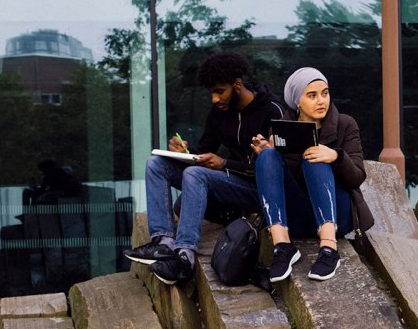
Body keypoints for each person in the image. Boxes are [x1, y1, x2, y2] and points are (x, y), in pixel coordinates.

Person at [126, 52, 288, 285]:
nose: (214, 99)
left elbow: (277, 169)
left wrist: (224, 164)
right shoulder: (219, 113)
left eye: (219, 91)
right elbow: (203, 153)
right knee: (156, 164)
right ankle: (164, 243)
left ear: (237, 84)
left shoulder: (272, 110)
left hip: (259, 190)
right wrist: (183, 154)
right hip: (227, 183)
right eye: (211, 92)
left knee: (195, 174)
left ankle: (185, 257)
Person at [249, 66, 374, 284]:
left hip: (337, 216)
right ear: (298, 101)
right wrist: (265, 153)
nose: (321, 101)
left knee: (315, 157)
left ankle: (329, 250)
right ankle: (282, 247)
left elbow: (357, 177)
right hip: (298, 217)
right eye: (312, 95)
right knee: (267, 157)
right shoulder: (281, 130)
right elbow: (274, 183)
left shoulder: (345, 124)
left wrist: (335, 155)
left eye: (324, 93)